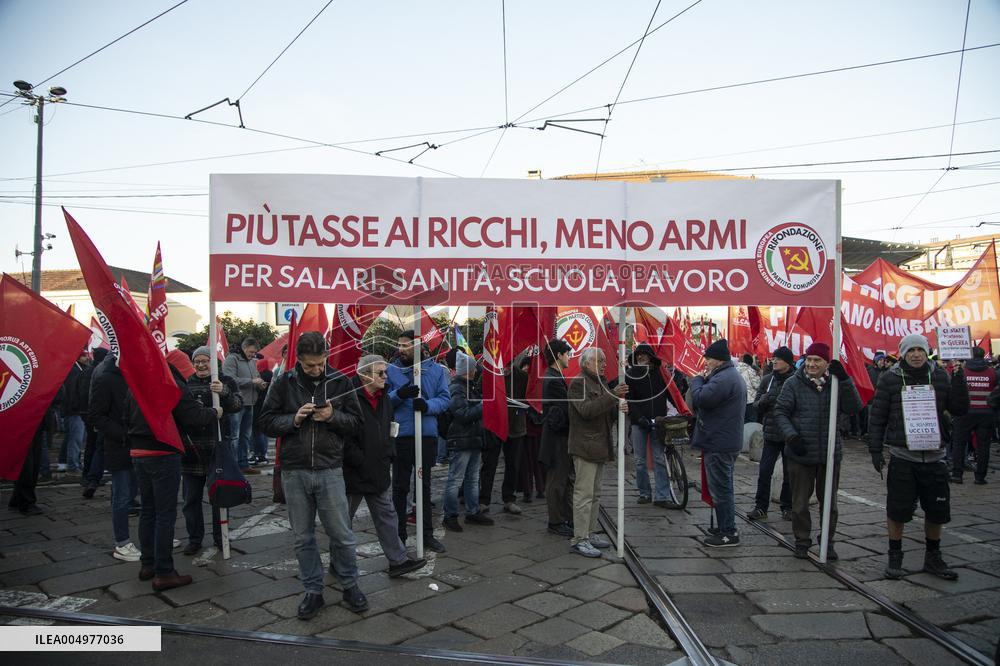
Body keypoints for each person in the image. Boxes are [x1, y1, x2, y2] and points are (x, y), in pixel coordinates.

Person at [259, 331, 367, 619]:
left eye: (321, 364)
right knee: (302, 537)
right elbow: (266, 422)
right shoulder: (283, 383)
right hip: (295, 471)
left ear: (326, 357)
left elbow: (357, 424)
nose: (317, 370)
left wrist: (332, 416)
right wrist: (292, 419)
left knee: (341, 535)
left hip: (330, 468)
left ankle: (350, 584)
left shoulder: (341, 382)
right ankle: (313, 591)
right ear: (299, 361)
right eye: (310, 366)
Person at [868, 333, 969, 580]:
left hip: (935, 455)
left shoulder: (940, 376)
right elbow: (878, 415)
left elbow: (959, 408)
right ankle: (895, 556)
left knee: (937, 510)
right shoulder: (890, 378)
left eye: (920, 350)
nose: (916, 355)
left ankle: (933, 557)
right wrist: (875, 448)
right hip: (904, 455)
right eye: (911, 350)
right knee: (898, 509)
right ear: (903, 353)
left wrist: (958, 378)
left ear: (927, 352)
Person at [127, 366, 221, 591]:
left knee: (148, 511)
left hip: (138, 451)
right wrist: (214, 412)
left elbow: (124, 416)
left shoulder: (137, 384)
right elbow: (192, 416)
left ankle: (147, 564)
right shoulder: (170, 384)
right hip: (162, 451)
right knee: (164, 514)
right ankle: (164, 571)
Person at [774, 342, 862, 559]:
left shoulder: (835, 382)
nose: (812, 364)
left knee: (829, 503)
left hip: (830, 453)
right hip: (801, 453)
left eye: (817, 360)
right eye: (809, 360)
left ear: (826, 363)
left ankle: (827, 541)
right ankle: (802, 540)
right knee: (800, 503)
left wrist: (845, 380)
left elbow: (854, 407)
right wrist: (791, 436)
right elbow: (781, 412)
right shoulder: (794, 383)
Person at [343, 354, 426, 577]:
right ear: (364, 375)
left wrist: (390, 452)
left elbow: (391, 426)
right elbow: (343, 436)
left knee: (387, 516)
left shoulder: (384, 398)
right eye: (380, 373)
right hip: (353, 472)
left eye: (385, 372)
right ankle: (338, 561)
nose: (385, 377)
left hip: (378, 469)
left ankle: (398, 561)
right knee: (342, 522)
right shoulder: (347, 396)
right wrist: (359, 460)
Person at [386, 330, 450, 554]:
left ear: (419, 347)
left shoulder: (435, 370)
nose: (401, 349)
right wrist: (399, 394)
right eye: (399, 345)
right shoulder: (391, 370)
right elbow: (383, 401)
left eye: (406, 345)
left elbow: (445, 399)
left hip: (427, 435)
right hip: (402, 436)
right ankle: (399, 535)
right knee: (400, 487)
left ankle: (427, 534)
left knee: (424, 487)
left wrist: (427, 405)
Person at [181, 346, 243, 555]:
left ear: (213, 362)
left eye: (204, 361)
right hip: (192, 450)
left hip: (218, 449)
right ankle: (194, 538)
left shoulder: (226, 381)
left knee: (220, 496)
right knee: (191, 499)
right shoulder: (187, 384)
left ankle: (220, 537)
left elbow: (237, 405)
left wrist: (223, 392)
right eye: (196, 361)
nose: (200, 365)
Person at [567, 348, 628, 557]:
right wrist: (613, 396)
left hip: (599, 446)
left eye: (604, 360)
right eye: (599, 361)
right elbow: (587, 411)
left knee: (595, 494)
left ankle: (589, 533)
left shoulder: (599, 382)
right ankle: (579, 538)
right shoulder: (578, 383)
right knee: (584, 495)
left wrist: (618, 408)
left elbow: (603, 415)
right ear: (586, 363)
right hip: (585, 447)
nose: (604, 364)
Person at [690, 339, 745, 547]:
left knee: (721, 489)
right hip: (723, 439)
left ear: (719, 360)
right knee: (722, 487)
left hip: (719, 441)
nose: (706, 363)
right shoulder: (727, 376)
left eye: (709, 359)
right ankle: (724, 526)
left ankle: (728, 532)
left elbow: (702, 398)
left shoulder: (724, 379)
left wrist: (696, 381)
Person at [89, 352, 139, 561]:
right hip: (119, 445)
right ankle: (122, 542)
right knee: (122, 496)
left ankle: (150, 535)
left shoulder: (138, 374)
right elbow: (96, 416)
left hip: (141, 442)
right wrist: (122, 433)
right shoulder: (106, 377)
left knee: (141, 493)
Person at [442, 351, 495, 531]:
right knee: (455, 480)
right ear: (468, 370)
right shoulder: (457, 388)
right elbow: (462, 415)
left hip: (472, 438)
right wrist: (482, 405)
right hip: (462, 439)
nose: (476, 371)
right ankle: (450, 515)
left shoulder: (468, 386)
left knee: (473, 479)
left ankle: (472, 512)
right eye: (474, 368)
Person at [625, 343, 678, 507]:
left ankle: (662, 495)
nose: (640, 357)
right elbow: (630, 399)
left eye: (643, 354)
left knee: (659, 458)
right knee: (640, 460)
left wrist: (680, 408)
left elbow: (672, 392)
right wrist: (639, 418)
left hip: (658, 421)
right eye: (638, 354)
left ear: (650, 357)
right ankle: (644, 493)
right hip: (639, 422)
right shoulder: (631, 374)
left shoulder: (661, 374)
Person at [747, 346, 796, 522]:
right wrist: (763, 401)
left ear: (788, 362)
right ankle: (761, 507)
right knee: (765, 470)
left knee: (789, 473)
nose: (774, 361)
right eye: (773, 358)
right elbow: (756, 404)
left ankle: (787, 506)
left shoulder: (797, 380)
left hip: (790, 435)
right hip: (771, 433)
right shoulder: (767, 380)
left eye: (778, 359)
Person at [479, 351, 528, 515]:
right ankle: (484, 500)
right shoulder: (490, 373)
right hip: (494, 425)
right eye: (503, 366)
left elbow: (530, 395)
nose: (505, 369)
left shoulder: (521, 376)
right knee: (489, 464)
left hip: (516, 426)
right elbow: (478, 392)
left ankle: (509, 499)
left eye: (508, 365)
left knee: (513, 465)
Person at [539, 339, 574, 537]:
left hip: (559, 436)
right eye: (567, 353)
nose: (569, 357)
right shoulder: (553, 379)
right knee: (557, 482)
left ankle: (563, 518)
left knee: (563, 480)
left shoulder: (555, 376)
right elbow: (565, 410)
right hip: (557, 438)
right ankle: (556, 521)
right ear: (559, 355)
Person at [223, 337, 266, 475]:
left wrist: (260, 383)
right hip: (236, 403)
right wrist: (252, 381)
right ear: (245, 347)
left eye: (255, 353)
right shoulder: (232, 359)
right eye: (252, 352)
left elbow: (256, 376)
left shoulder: (251, 362)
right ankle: (232, 466)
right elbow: (230, 379)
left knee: (245, 436)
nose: (254, 355)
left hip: (250, 403)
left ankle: (243, 463)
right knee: (234, 436)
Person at [952, 346, 995, 484]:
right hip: (986, 413)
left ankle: (957, 475)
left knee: (959, 444)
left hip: (964, 412)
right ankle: (980, 477)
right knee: (983, 446)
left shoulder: (962, 372)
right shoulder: (992, 373)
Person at [7, 410, 53, 515]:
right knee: (27, 464)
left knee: (32, 463)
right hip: (24, 421)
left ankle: (17, 499)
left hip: (35, 421)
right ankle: (26, 501)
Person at [80, 348, 109, 497]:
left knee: (96, 447)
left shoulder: (94, 370)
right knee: (98, 447)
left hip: (94, 414)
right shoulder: (104, 371)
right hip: (103, 417)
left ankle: (91, 478)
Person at [60, 350, 90, 475]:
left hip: (73, 410)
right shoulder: (75, 371)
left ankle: (65, 462)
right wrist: (77, 407)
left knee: (71, 437)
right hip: (75, 411)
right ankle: (73, 465)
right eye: (83, 356)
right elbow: (73, 391)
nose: (86, 358)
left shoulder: (78, 369)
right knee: (76, 438)